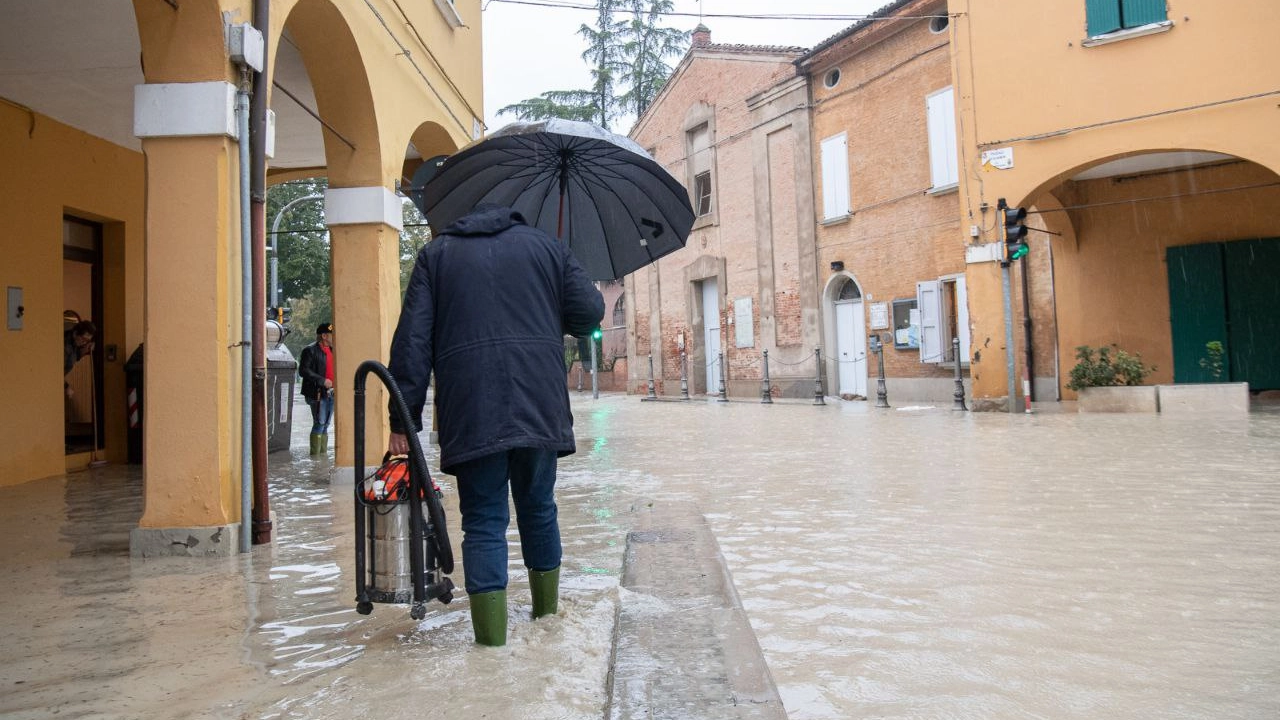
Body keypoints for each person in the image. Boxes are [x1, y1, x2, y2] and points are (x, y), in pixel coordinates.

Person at [387, 203, 604, 647]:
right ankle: (547, 620)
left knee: (483, 520)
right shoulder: (547, 247)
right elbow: (590, 313)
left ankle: (490, 647)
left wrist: (401, 419)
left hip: (471, 406)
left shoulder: (437, 255)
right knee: (539, 508)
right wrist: (548, 300)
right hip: (539, 401)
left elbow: (412, 343)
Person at [299, 322, 336, 456]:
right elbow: (303, 371)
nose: (335, 337)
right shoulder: (310, 350)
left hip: (332, 393)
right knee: (319, 423)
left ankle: (323, 456)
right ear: (325, 336)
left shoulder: (333, 350)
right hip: (317, 393)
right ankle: (315, 457)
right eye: (333, 334)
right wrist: (322, 381)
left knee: (326, 424)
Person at [63, 320, 97, 398]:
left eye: (87, 341)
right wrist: (66, 387)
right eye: (83, 339)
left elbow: (75, 357)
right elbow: (56, 371)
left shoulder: (75, 342)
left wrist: (85, 350)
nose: (84, 342)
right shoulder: (65, 345)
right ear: (75, 334)